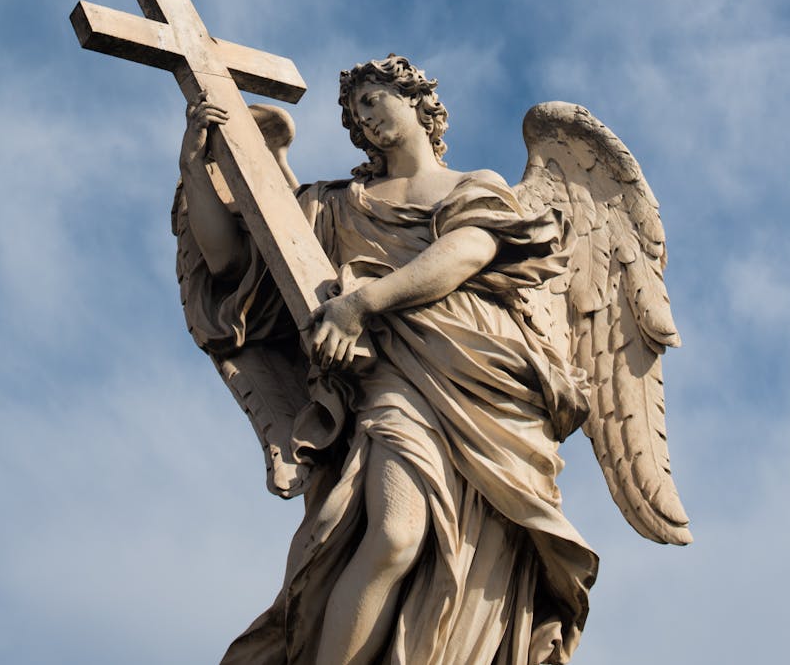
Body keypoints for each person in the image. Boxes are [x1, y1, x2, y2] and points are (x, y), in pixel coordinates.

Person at [177, 55, 598, 665]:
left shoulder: (473, 185)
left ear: (419, 102)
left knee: (489, 552)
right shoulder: (335, 205)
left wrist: (362, 303)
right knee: (396, 534)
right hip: (395, 373)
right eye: (355, 113)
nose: (365, 117)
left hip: (490, 378)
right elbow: (231, 263)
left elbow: (466, 251)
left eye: (373, 100)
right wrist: (196, 166)